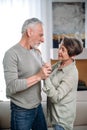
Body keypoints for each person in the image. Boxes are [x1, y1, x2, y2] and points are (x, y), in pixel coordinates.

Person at [3, 18, 52, 130]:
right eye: (40, 35)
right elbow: (11, 86)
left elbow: (45, 71)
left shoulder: (36, 52)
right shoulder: (11, 54)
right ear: (29, 32)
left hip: (37, 107)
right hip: (21, 110)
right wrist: (38, 76)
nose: (43, 39)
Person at [43, 36, 83, 130]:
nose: (59, 51)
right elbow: (47, 71)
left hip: (62, 122)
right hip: (55, 117)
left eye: (63, 49)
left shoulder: (72, 73)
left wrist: (46, 77)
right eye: (60, 47)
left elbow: (56, 97)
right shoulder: (60, 64)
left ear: (71, 54)